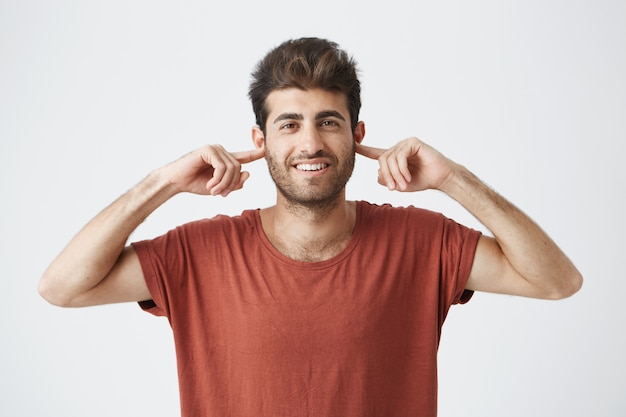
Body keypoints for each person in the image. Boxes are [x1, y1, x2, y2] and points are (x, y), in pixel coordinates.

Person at [38, 37, 582, 416]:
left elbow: (557, 281)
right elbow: (62, 288)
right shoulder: (198, 254)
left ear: (356, 133)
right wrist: (161, 182)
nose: (311, 144)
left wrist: (454, 179)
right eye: (289, 124)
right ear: (261, 142)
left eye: (328, 122)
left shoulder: (422, 242)